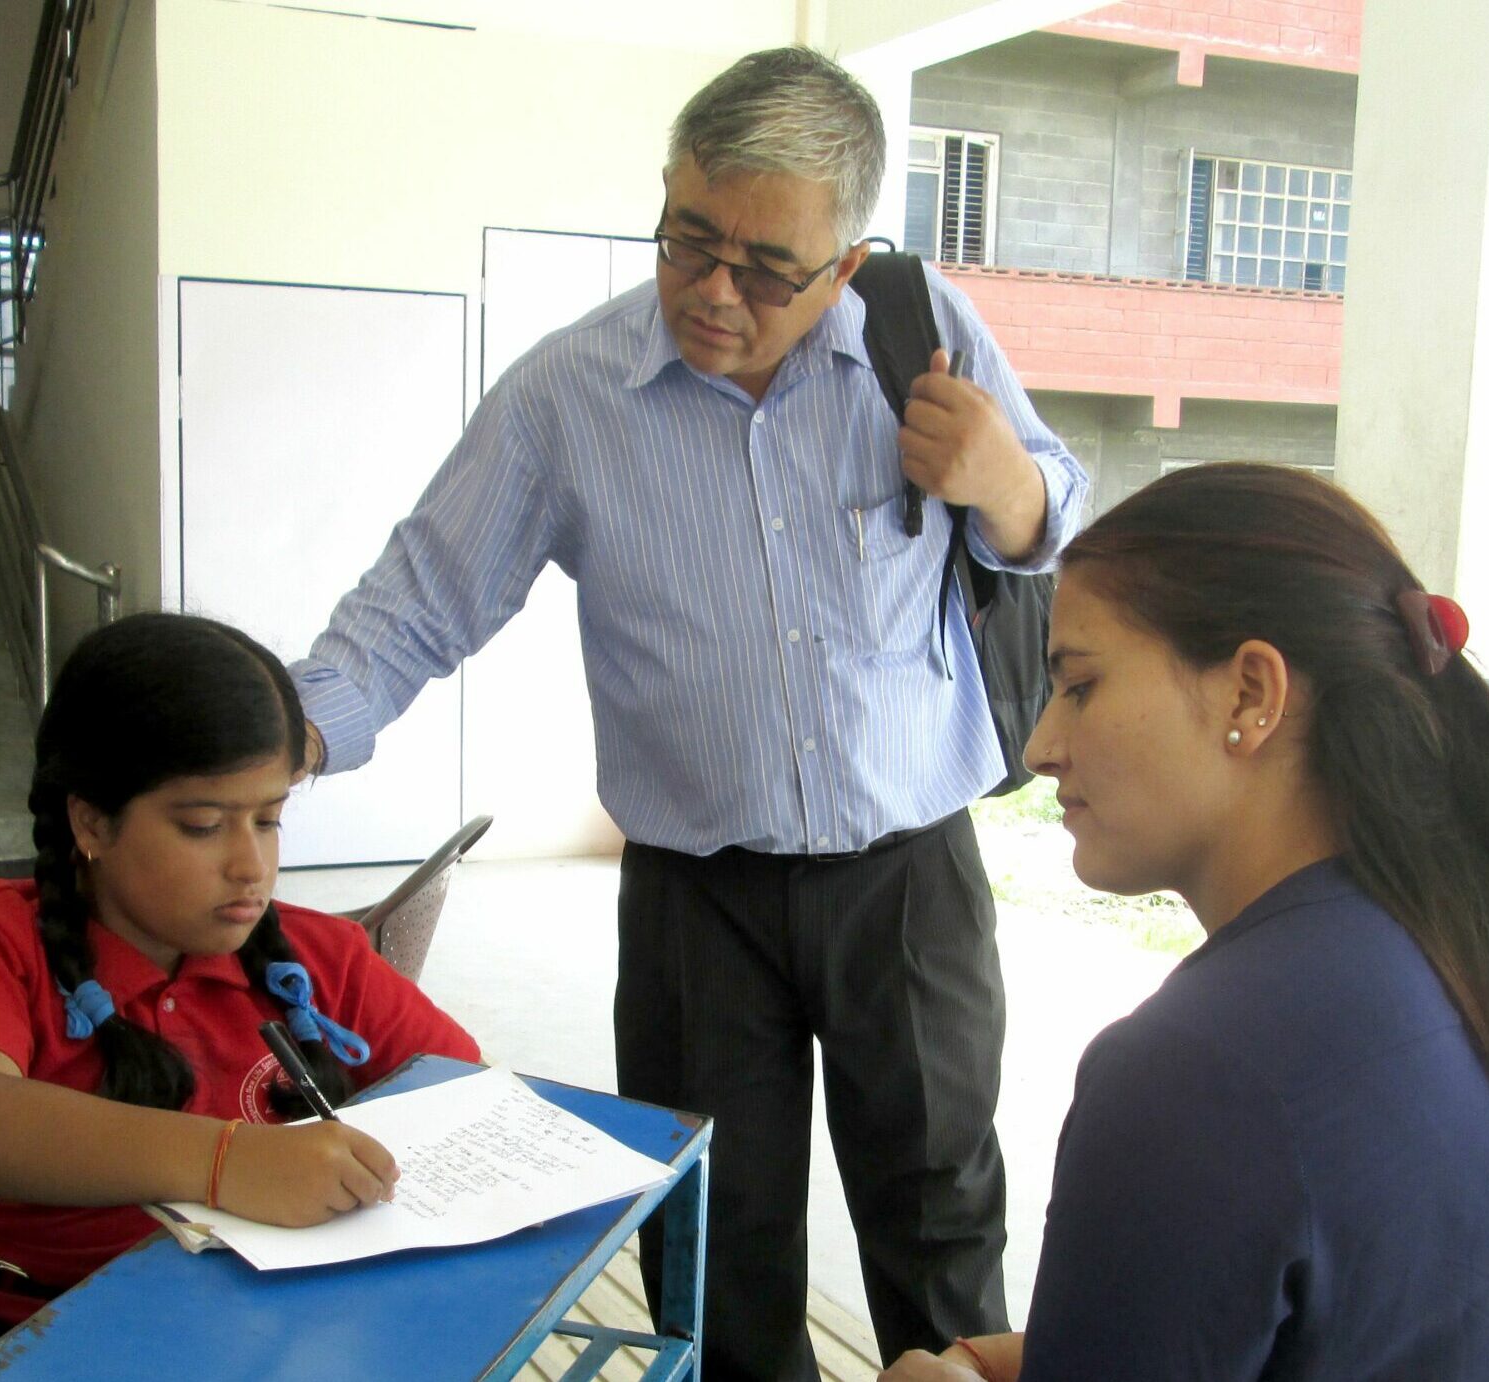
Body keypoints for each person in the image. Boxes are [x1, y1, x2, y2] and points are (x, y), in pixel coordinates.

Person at [289, 45, 1088, 1382]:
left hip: (906, 878)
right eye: (686, 239)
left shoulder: (918, 328)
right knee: (715, 1242)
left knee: (940, 1225)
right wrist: (294, 728)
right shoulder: (571, 392)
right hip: (694, 897)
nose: (714, 291)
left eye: (767, 265)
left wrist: (1006, 484)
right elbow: (424, 593)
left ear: (845, 260)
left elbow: (1058, 510)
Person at [879, 462, 1489, 1382]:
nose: (1041, 746)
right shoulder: (1464, 947)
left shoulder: (1192, 1074)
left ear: (1252, 693)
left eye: (1082, 686)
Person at [0, 613, 482, 1382]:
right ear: (91, 820)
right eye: (204, 825)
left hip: (207, 1311)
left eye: (270, 819)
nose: (251, 865)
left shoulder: (319, 963)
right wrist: (226, 1163)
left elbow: (468, 1102)